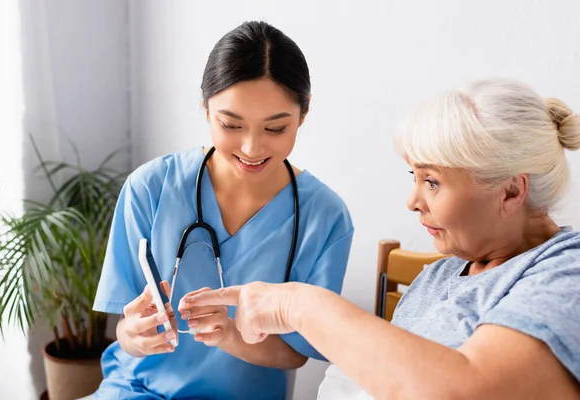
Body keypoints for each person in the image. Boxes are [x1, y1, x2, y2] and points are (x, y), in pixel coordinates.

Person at [185, 78, 580, 399]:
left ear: (510, 191)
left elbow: (462, 390)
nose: (413, 202)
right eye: (415, 178)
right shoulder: (440, 276)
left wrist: (296, 305)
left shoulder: (567, 273)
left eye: (432, 181)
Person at [92, 21, 354, 399]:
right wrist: (131, 336)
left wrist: (230, 335)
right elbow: (126, 329)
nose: (251, 148)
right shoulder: (150, 188)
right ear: (205, 108)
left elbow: (297, 353)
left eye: (276, 129)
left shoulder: (325, 218)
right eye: (231, 124)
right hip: (137, 390)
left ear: (304, 112)